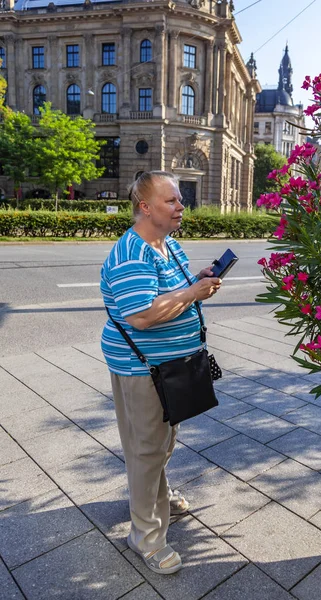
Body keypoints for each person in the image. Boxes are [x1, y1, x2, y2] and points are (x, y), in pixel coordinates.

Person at [100, 171, 222, 575]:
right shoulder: (132, 253)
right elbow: (141, 315)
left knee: (161, 442)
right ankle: (146, 536)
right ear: (145, 207)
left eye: (180, 200)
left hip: (170, 366)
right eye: (171, 201)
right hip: (142, 368)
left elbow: (168, 291)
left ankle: (158, 495)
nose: (180, 206)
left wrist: (195, 280)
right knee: (147, 448)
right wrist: (191, 293)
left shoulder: (166, 244)